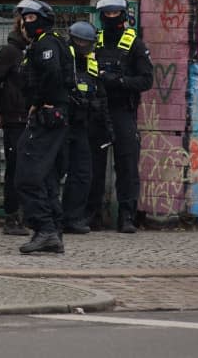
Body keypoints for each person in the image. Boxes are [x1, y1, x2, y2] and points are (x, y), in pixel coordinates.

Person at [86, 0, 153, 233]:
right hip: (97, 110)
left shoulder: (135, 44)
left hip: (123, 110)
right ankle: (92, 216)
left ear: (123, 15)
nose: (111, 18)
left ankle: (126, 217)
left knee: (126, 165)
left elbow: (147, 80)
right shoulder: (95, 40)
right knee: (93, 165)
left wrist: (121, 81)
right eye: (107, 14)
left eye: (115, 14)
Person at [15, 0, 73, 254]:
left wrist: (40, 103)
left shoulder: (47, 43)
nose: (25, 23)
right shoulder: (48, 42)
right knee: (46, 175)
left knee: (28, 175)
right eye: (24, 19)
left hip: (48, 117)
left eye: (30, 18)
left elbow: (52, 74)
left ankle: (45, 229)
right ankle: (53, 231)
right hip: (53, 116)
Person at [62, 21, 112, 235]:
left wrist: (106, 124)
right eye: (80, 41)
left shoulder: (91, 65)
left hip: (82, 126)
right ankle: (45, 217)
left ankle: (72, 218)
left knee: (83, 173)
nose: (84, 45)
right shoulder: (63, 61)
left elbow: (101, 96)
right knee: (52, 172)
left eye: (88, 42)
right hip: (60, 126)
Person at [0, 10, 29, 236]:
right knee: (15, 169)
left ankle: (26, 215)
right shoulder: (11, 52)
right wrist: (1, 109)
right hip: (15, 120)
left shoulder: (35, 51)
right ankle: (12, 217)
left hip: (31, 120)